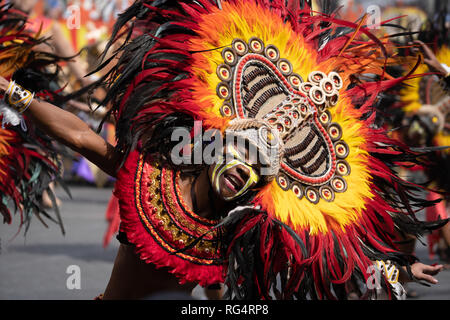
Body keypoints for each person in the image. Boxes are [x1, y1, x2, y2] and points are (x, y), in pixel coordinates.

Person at [1, 0, 447, 300]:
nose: (247, 171)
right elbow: (81, 137)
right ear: (217, 145)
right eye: (245, 153)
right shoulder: (155, 178)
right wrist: (13, 93)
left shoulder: (240, 231)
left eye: (260, 171)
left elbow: (331, 265)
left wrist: (394, 272)